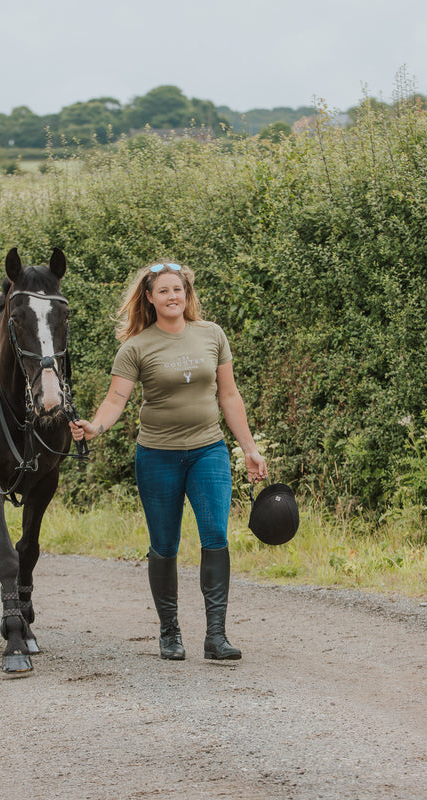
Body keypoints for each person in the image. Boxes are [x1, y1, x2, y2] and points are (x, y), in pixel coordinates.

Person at [70, 261, 267, 661]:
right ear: (149, 298)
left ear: (187, 293)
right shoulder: (136, 347)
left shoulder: (212, 335)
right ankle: (170, 632)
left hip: (208, 451)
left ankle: (216, 636)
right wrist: (95, 427)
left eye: (177, 289)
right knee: (164, 545)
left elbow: (229, 396)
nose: (172, 297)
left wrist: (248, 448)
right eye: (163, 291)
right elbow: (115, 400)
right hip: (157, 456)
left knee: (215, 536)